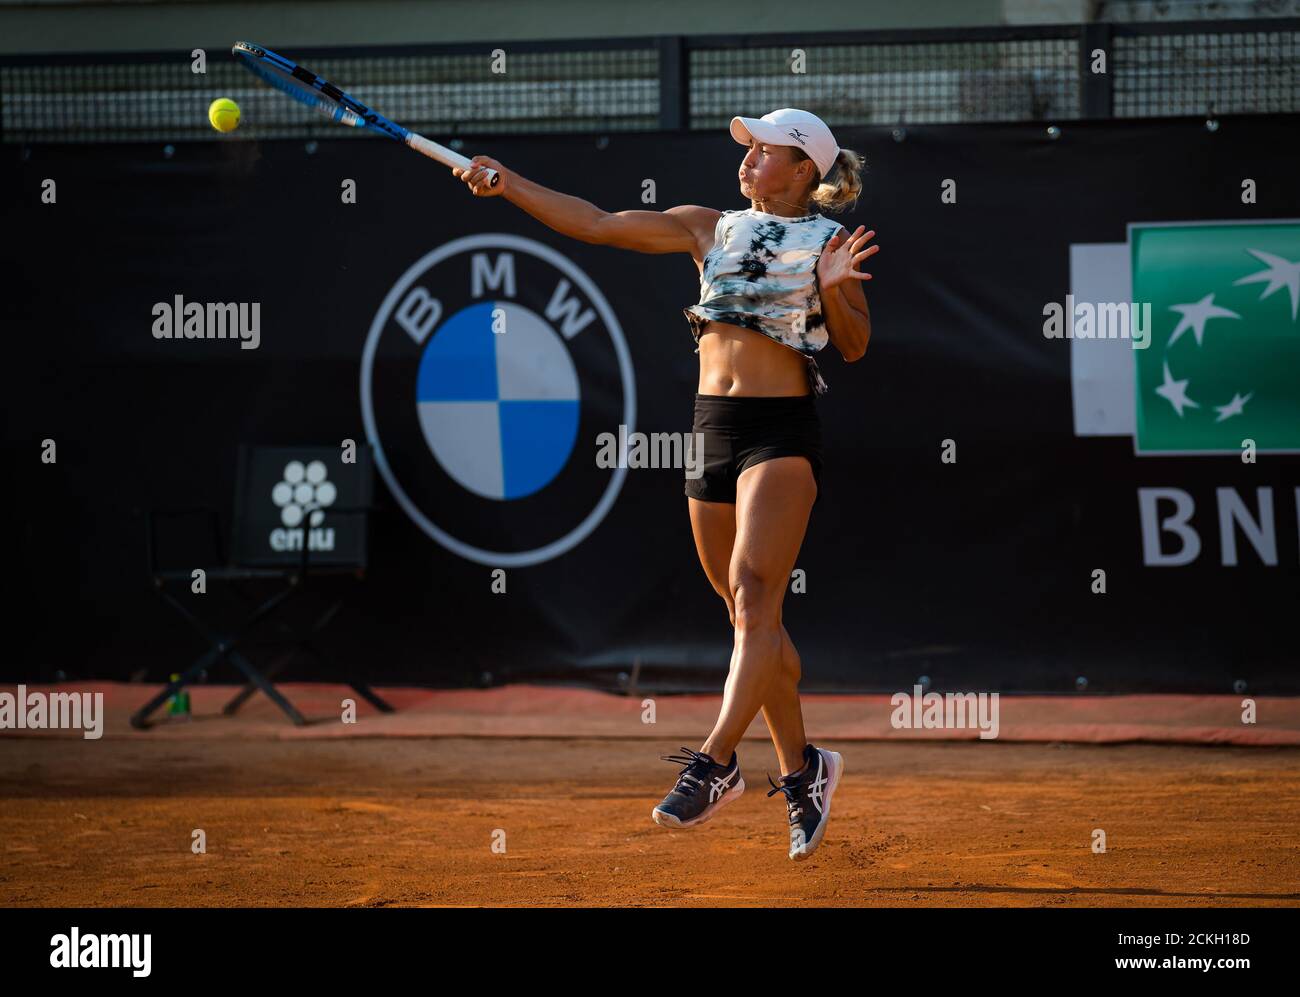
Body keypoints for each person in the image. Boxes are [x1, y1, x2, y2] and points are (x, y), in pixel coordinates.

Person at [453, 107, 876, 860]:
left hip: (782, 433)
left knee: (753, 594)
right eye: (747, 151)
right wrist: (507, 183)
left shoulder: (829, 241)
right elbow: (594, 222)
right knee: (752, 620)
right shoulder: (704, 226)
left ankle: (714, 764)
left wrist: (835, 287)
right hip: (710, 430)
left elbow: (853, 345)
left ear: (806, 170)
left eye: (766, 153)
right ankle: (805, 768)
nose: (747, 162)